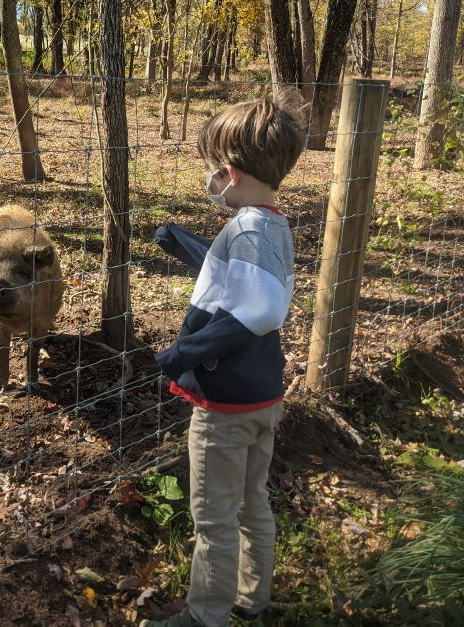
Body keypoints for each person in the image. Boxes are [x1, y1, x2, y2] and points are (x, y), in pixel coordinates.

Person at [142, 94, 306, 627]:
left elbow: (255, 309)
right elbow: (239, 275)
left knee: (214, 518)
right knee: (253, 503)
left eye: (211, 174)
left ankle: (204, 617)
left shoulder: (248, 229)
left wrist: (179, 354)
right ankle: (251, 599)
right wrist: (184, 243)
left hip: (225, 407)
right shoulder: (271, 223)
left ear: (230, 175)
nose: (208, 184)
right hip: (263, 397)